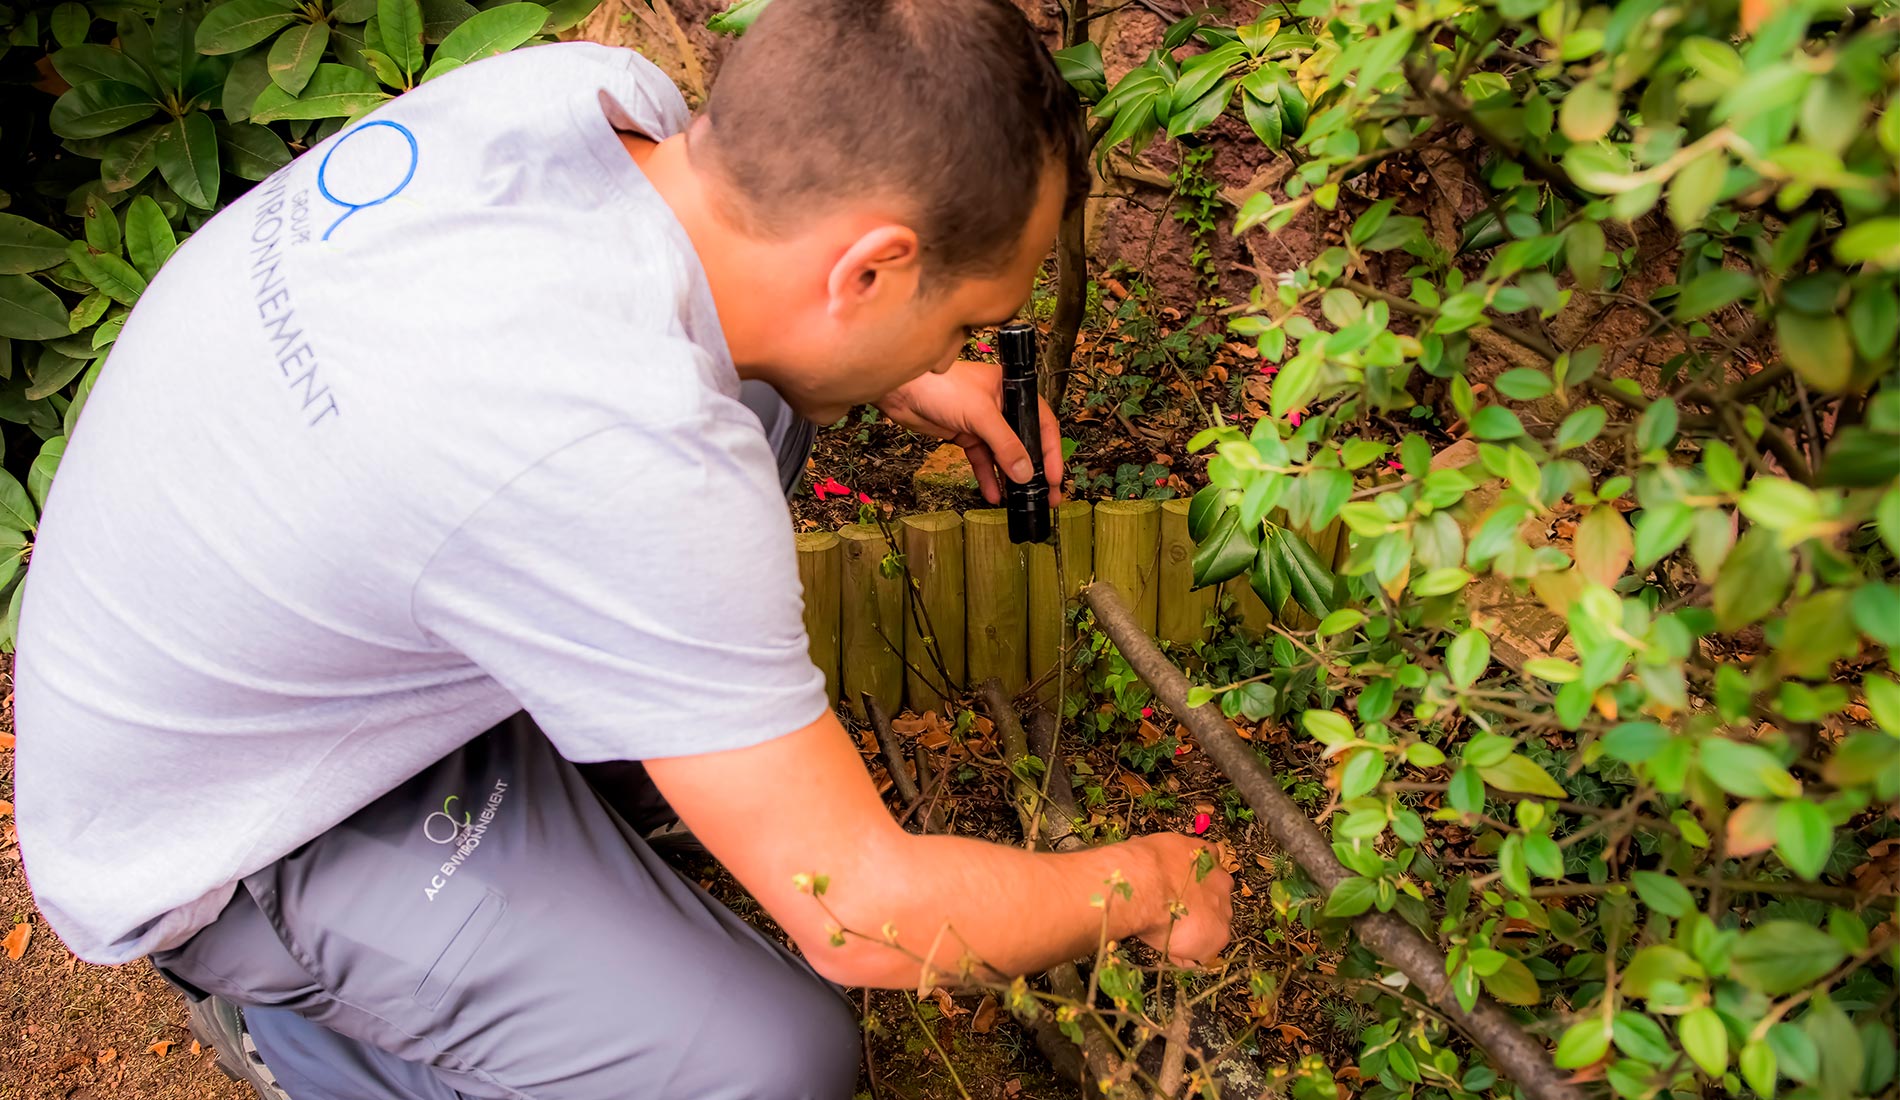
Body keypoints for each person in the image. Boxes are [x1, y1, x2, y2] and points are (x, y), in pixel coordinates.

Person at [12, 1, 1233, 1096]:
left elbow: (711, 361)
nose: (960, 349)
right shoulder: (613, 453)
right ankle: (306, 1036)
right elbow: (861, 914)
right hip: (231, 837)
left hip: (253, 622)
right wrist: (1145, 883)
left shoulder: (584, 103)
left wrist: (912, 370)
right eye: (963, 321)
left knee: (761, 399)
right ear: (867, 269)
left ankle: (584, 813)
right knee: (766, 1061)